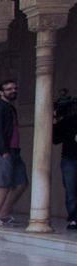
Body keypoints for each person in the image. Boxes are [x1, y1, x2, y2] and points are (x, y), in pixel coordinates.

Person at [0, 78, 27, 227]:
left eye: (14, 88)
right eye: (9, 89)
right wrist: (4, 152)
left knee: (21, 183)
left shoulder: (10, 108)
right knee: (3, 186)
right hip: (2, 152)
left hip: (14, 152)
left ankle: (3, 214)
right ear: (1, 93)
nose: (13, 91)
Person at [54, 89, 77, 231]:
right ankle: (74, 219)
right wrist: (54, 120)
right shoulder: (67, 121)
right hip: (69, 159)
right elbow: (55, 139)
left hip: (69, 160)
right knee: (71, 191)